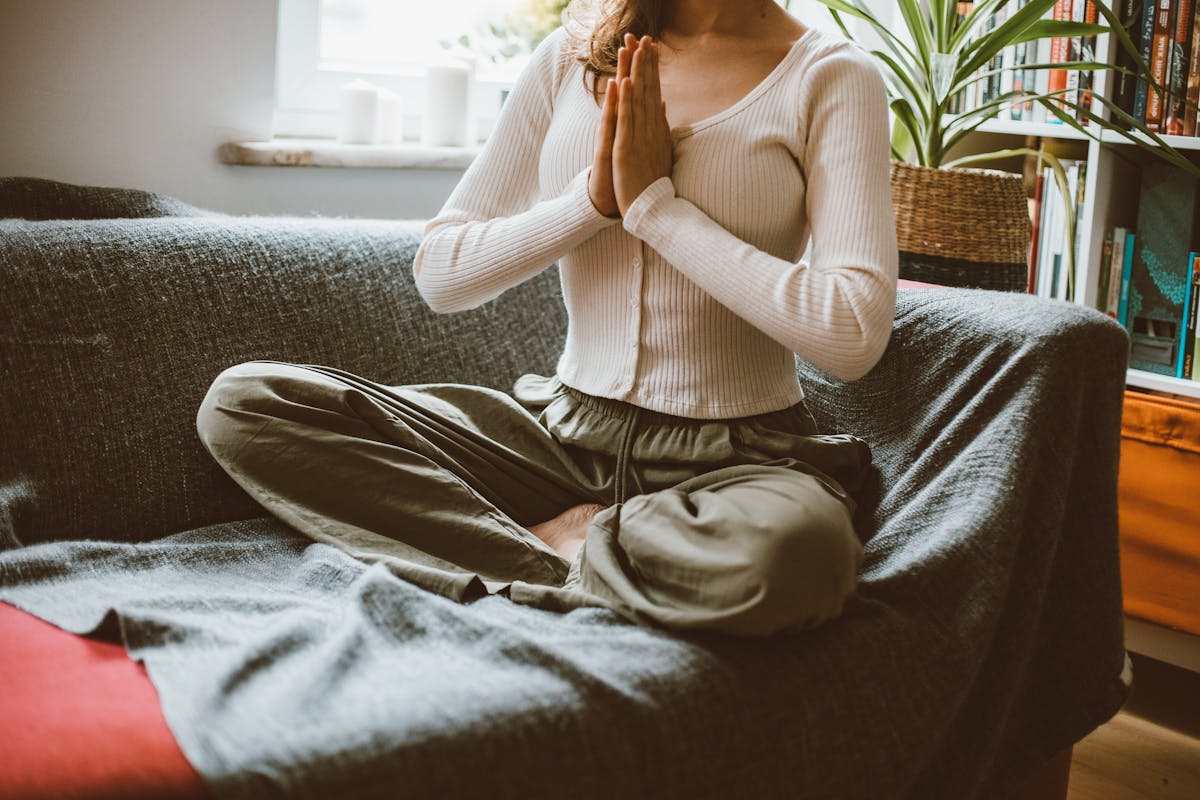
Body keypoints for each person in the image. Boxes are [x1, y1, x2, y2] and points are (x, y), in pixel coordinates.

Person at [196, 0, 898, 637]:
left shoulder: (832, 75)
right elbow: (443, 272)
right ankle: (574, 546)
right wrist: (591, 202)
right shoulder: (571, 52)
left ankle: (571, 545)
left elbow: (852, 333)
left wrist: (656, 211)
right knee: (248, 403)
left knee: (799, 559)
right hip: (560, 441)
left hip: (740, 465)